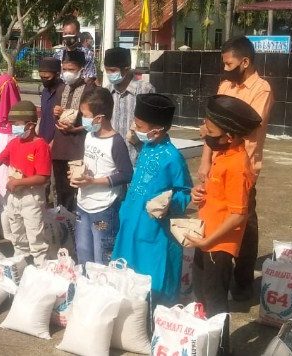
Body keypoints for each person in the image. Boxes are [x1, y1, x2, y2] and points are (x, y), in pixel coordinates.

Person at [198, 36, 273, 301]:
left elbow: (244, 125)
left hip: (244, 163)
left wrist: (217, 129)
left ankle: (241, 282)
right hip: (219, 159)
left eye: (229, 63)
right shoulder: (225, 84)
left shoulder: (260, 89)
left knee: (244, 222)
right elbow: (213, 126)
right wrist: (206, 159)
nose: (226, 68)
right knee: (215, 213)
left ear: (245, 61)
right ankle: (217, 270)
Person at [187, 95, 261, 323]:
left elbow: (239, 214)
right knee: (201, 294)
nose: (205, 134)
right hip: (206, 235)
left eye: (210, 131)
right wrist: (199, 193)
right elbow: (219, 196)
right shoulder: (222, 154)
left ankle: (220, 346)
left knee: (215, 301)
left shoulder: (237, 165)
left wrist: (209, 242)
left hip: (218, 244)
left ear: (229, 136)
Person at [112, 94, 193, 304]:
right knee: (127, 275)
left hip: (154, 232)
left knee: (153, 279)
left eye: (139, 125)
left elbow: (185, 192)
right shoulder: (147, 148)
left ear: (156, 130)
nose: (134, 127)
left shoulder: (173, 157)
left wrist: (169, 203)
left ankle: (154, 318)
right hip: (131, 223)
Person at [0, 101, 51, 266]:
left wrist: (19, 182)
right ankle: (21, 264)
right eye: (12, 124)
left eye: (17, 125)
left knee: (36, 237)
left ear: (30, 125)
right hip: (13, 196)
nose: (13, 128)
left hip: (31, 197)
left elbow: (43, 177)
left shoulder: (41, 146)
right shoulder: (14, 143)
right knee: (17, 234)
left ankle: (41, 268)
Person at [70, 87, 133, 265]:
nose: (83, 119)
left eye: (86, 114)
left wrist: (93, 181)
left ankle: (103, 290)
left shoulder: (116, 142)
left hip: (104, 209)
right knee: (82, 252)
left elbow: (127, 174)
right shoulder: (89, 135)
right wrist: (77, 172)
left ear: (99, 118)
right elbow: (90, 165)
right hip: (83, 205)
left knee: (102, 255)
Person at [51, 50, 93, 211]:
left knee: (78, 190)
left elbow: (93, 122)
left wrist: (75, 128)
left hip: (78, 148)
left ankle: (76, 227)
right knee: (62, 191)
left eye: (71, 69)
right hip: (60, 148)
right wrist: (55, 113)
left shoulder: (90, 90)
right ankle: (63, 224)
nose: (67, 73)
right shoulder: (62, 88)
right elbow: (57, 116)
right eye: (65, 69)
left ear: (81, 69)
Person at [104, 47, 155, 163]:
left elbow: (154, 126)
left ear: (126, 70)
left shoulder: (145, 90)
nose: (109, 74)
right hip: (111, 160)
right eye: (107, 70)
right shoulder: (107, 91)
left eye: (113, 70)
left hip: (137, 159)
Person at [37, 57, 63, 144]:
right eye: (41, 77)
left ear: (57, 74)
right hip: (43, 140)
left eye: (47, 77)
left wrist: (54, 141)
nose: (44, 80)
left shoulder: (64, 92)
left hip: (57, 143)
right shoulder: (45, 92)